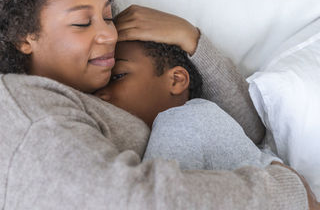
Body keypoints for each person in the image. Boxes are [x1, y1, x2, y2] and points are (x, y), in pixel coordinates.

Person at [0, 0, 319, 210]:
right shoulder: (12, 108)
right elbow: (133, 209)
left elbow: (245, 130)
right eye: (82, 23)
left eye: (108, 16)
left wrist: (188, 39)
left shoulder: (106, 93)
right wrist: (289, 196)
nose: (109, 33)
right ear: (22, 36)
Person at [94, 40, 281, 170]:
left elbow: (159, 203)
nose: (99, 95)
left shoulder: (181, 121)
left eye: (117, 76)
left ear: (176, 80)